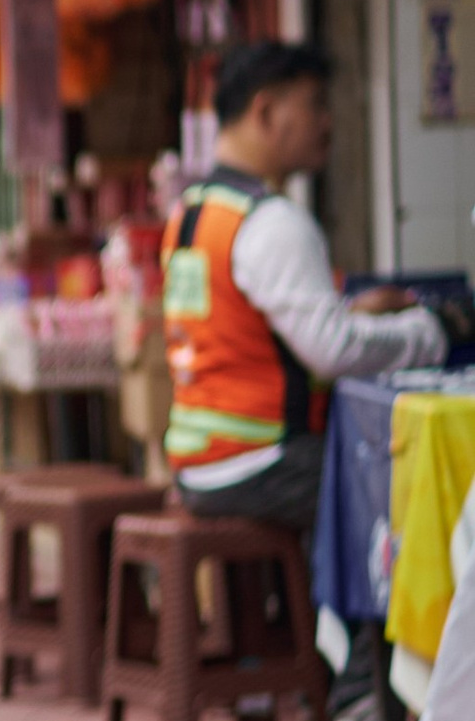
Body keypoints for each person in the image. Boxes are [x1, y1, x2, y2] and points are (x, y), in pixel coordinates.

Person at [163, 39, 442, 534]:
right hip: (263, 463)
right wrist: (432, 331)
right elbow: (332, 353)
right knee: (427, 487)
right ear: (266, 112)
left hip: (199, 464)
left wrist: (351, 313)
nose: (328, 122)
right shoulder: (270, 222)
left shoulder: (193, 213)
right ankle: (354, 615)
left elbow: (251, 332)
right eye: (315, 104)